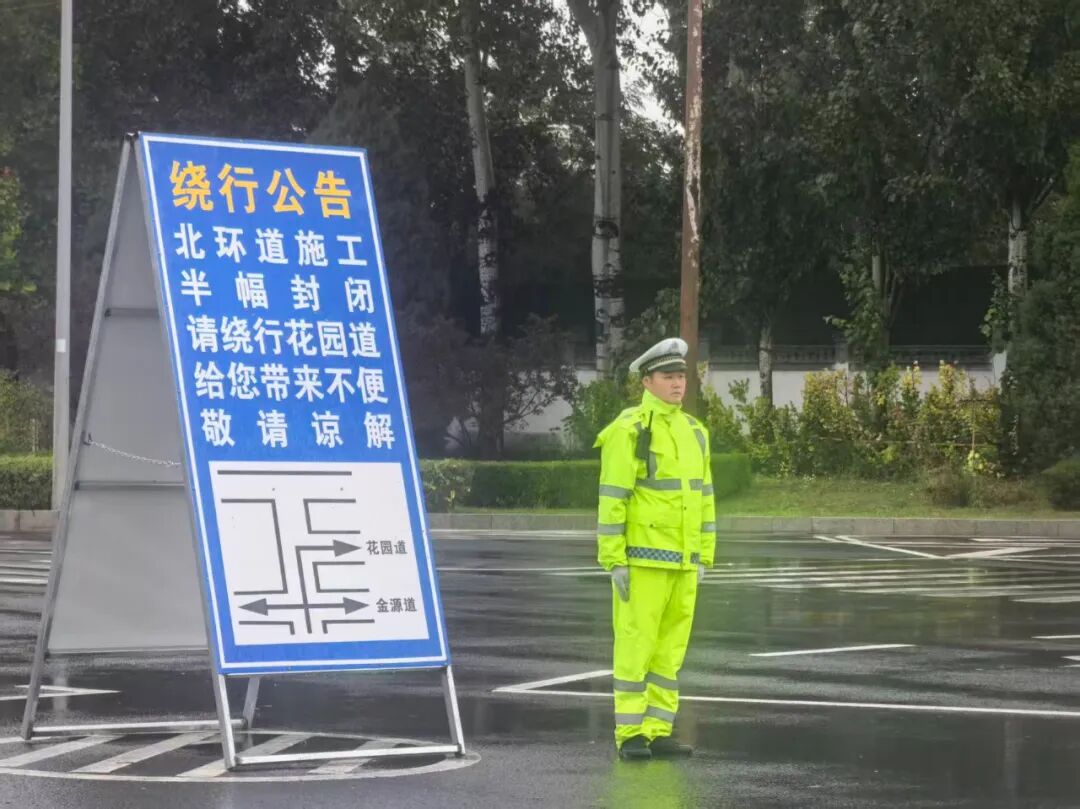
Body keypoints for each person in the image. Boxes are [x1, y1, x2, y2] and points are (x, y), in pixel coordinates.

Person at [593, 337, 716, 761]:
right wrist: (613, 559)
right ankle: (629, 734)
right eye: (668, 376)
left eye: (681, 375)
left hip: (683, 563)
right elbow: (613, 497)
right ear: (647, 381)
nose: (678, 384)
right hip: (642, 560)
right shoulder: (628, 430)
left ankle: (659, 729)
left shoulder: (695, 433)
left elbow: (705, 498)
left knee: (669, 652)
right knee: (635, 646)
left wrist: (704, 554)